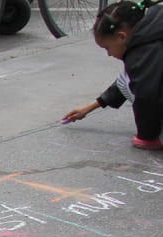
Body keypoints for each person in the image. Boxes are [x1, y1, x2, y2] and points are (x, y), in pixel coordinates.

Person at [64, 0, 163, 149]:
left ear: (122, 37)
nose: (109, 54)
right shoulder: (153, 27)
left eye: (107, 48)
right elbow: (134, 77)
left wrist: (147, 137)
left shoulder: (143, 52)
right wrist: (91, 106)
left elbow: (147, 95)